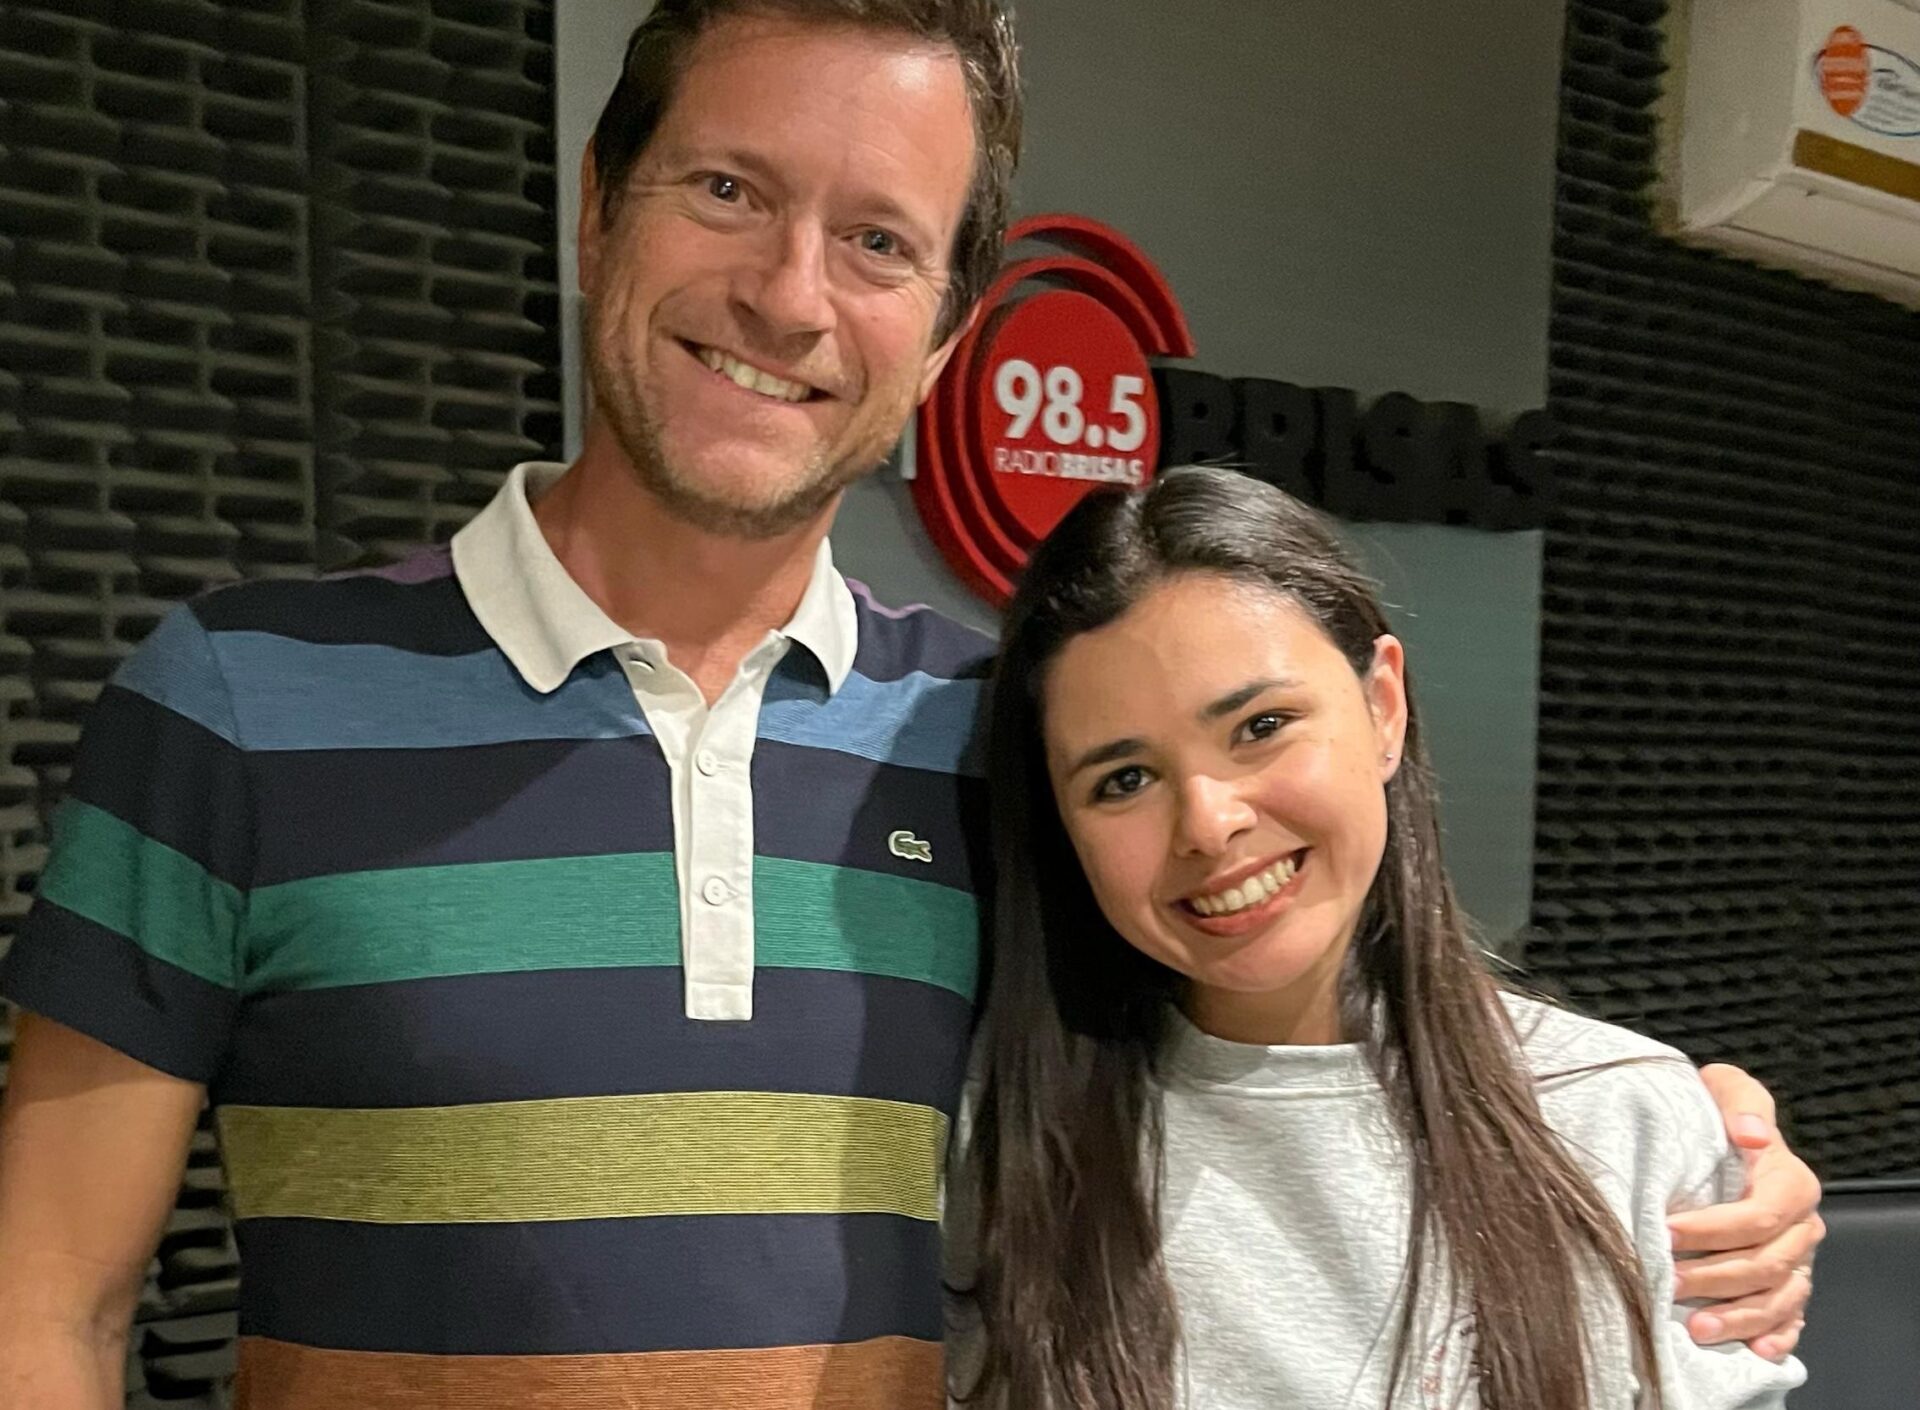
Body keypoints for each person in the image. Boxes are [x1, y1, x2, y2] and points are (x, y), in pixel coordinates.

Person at [0, 4, 1815, 1409]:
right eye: (729, 190)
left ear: (946, 332)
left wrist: (1668, 1127)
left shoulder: (1002, 740)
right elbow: (49, 1307)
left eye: (877, 241)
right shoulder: (237, 699)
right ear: (597, 204)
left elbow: (1270, 1038)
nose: (788, 295)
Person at [951, 466, 1811, 1409]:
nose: (1208, 822)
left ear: (1383, 707)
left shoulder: (1627, 1119)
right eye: (1124, 780)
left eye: (1261, 726)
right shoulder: (999, 1146)